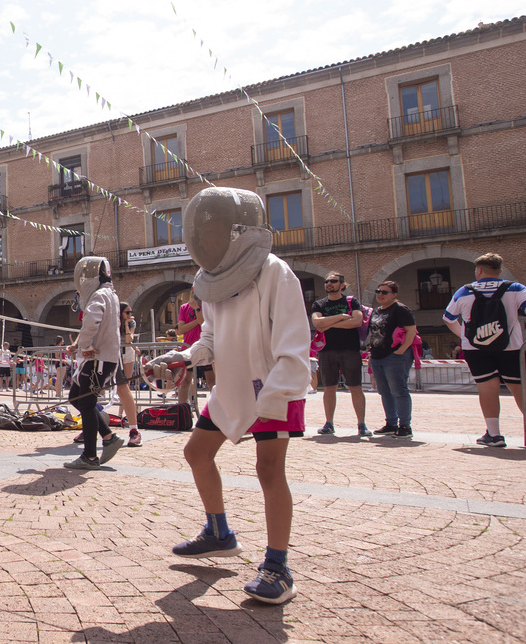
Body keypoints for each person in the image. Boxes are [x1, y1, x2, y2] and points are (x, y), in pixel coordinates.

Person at [149, 187, 308, 604]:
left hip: (272, 386)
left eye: (212, 229)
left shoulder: (275, 272)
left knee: (269, 471)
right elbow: (212, 338)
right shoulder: (213, 281)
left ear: (238, 231)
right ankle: (219, 533)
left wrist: (275, 396)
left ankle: (278, 567)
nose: (204, 239)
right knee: (197, 453)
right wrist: (184, 356)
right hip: (231, 388)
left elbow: (295, 347)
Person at [443, 253, 526, 448]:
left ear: (478, 270)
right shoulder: (515, 288)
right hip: (511, 347)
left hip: (476, 349)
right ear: (500, 270)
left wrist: (464, 336)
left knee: (487, 388)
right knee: (521, 388)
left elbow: (449, 318)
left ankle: (494, 435)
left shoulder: (464, 291)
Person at [63, 256, 125, 470]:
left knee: (87, 405)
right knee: (75, 397)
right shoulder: (109, 295)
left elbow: (91, 322)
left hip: (97, 360)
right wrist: (79, 346)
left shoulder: (100, 295)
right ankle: (108, 436)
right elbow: (91, 326)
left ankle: (89, 456)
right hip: (99, 359)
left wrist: (86, 347)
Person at [310, 272, 370, 437]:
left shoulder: (351, 301)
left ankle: (361, 424)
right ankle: (329, 423)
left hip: (350, 349)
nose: (329, 284)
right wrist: (342, 318)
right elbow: (317, 322)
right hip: (327, 351)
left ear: (342, 285)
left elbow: (357, 321)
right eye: (327, 281)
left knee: (355, 387)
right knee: (329, 388)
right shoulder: (319, 304)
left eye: (333, 281)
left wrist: (329, 324)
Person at [366, 281, 417, 439]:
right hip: (377, 355)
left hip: (394, 356)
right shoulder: (376, 311)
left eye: (384, 292)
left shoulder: (400, 309)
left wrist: (401, 350)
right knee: (384, 391)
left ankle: (405, 426)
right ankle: (391, 423)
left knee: (399, 390)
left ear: (394, 294)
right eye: (378, 291)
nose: (380, 294)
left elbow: (411, 330)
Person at [177, 295, 216, 404]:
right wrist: (197, 321)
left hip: (204, 347)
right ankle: (182, 408)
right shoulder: (184, 307)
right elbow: (181, 329)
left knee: (211, 381)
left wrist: (197, 309)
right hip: (188, 348)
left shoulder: (207, 306)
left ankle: (215, 407)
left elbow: (203, 322)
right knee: (185, 381)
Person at [117, 302, 143, 447]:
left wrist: (127, 324)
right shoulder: (114, 321)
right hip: (115, 353)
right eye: (127, 312)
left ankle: (130, 421)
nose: (130, 314)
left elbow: (128, 339)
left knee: (125, 385)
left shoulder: (131, 322)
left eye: (130, 312)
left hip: (127, 353)